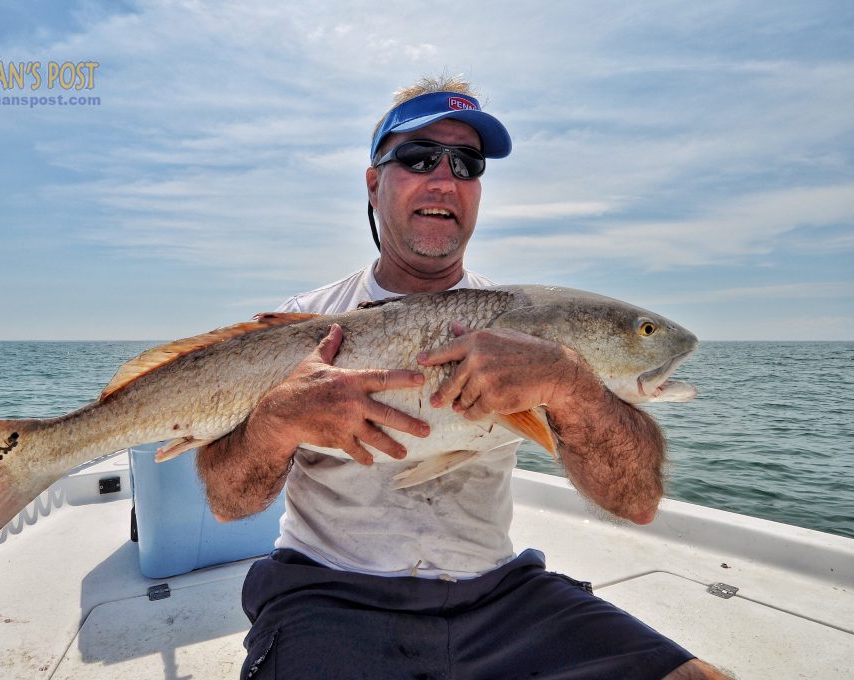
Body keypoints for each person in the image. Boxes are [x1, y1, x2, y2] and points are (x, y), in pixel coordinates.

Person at [197, 75, 728, 679]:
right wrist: (273, 424)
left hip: (499, 596)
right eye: (419, 158)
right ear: (374, 184)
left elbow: (636, 503)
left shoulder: (531, 332)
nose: (444, 179)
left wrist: (570, 385)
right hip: (328, 593)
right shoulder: (306, 323)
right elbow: (227, 502)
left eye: (467, 164)